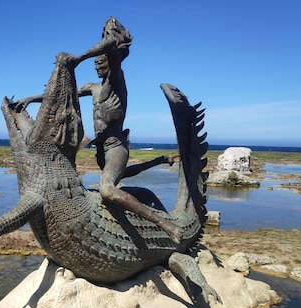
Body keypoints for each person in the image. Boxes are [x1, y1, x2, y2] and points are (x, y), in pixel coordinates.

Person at [14, 17, 182, 239]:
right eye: (94, 64)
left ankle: (169, 227)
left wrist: (79, 58)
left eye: (99, 62)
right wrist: (31, 98)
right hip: (101, 151)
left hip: (115, 147)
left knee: (106, 189)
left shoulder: (116, 80)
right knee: (122, 176)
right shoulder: (93, 88)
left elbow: (110, 46)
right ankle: (161, 160)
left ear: (109, 62)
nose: (96, 66)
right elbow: (59, 95)